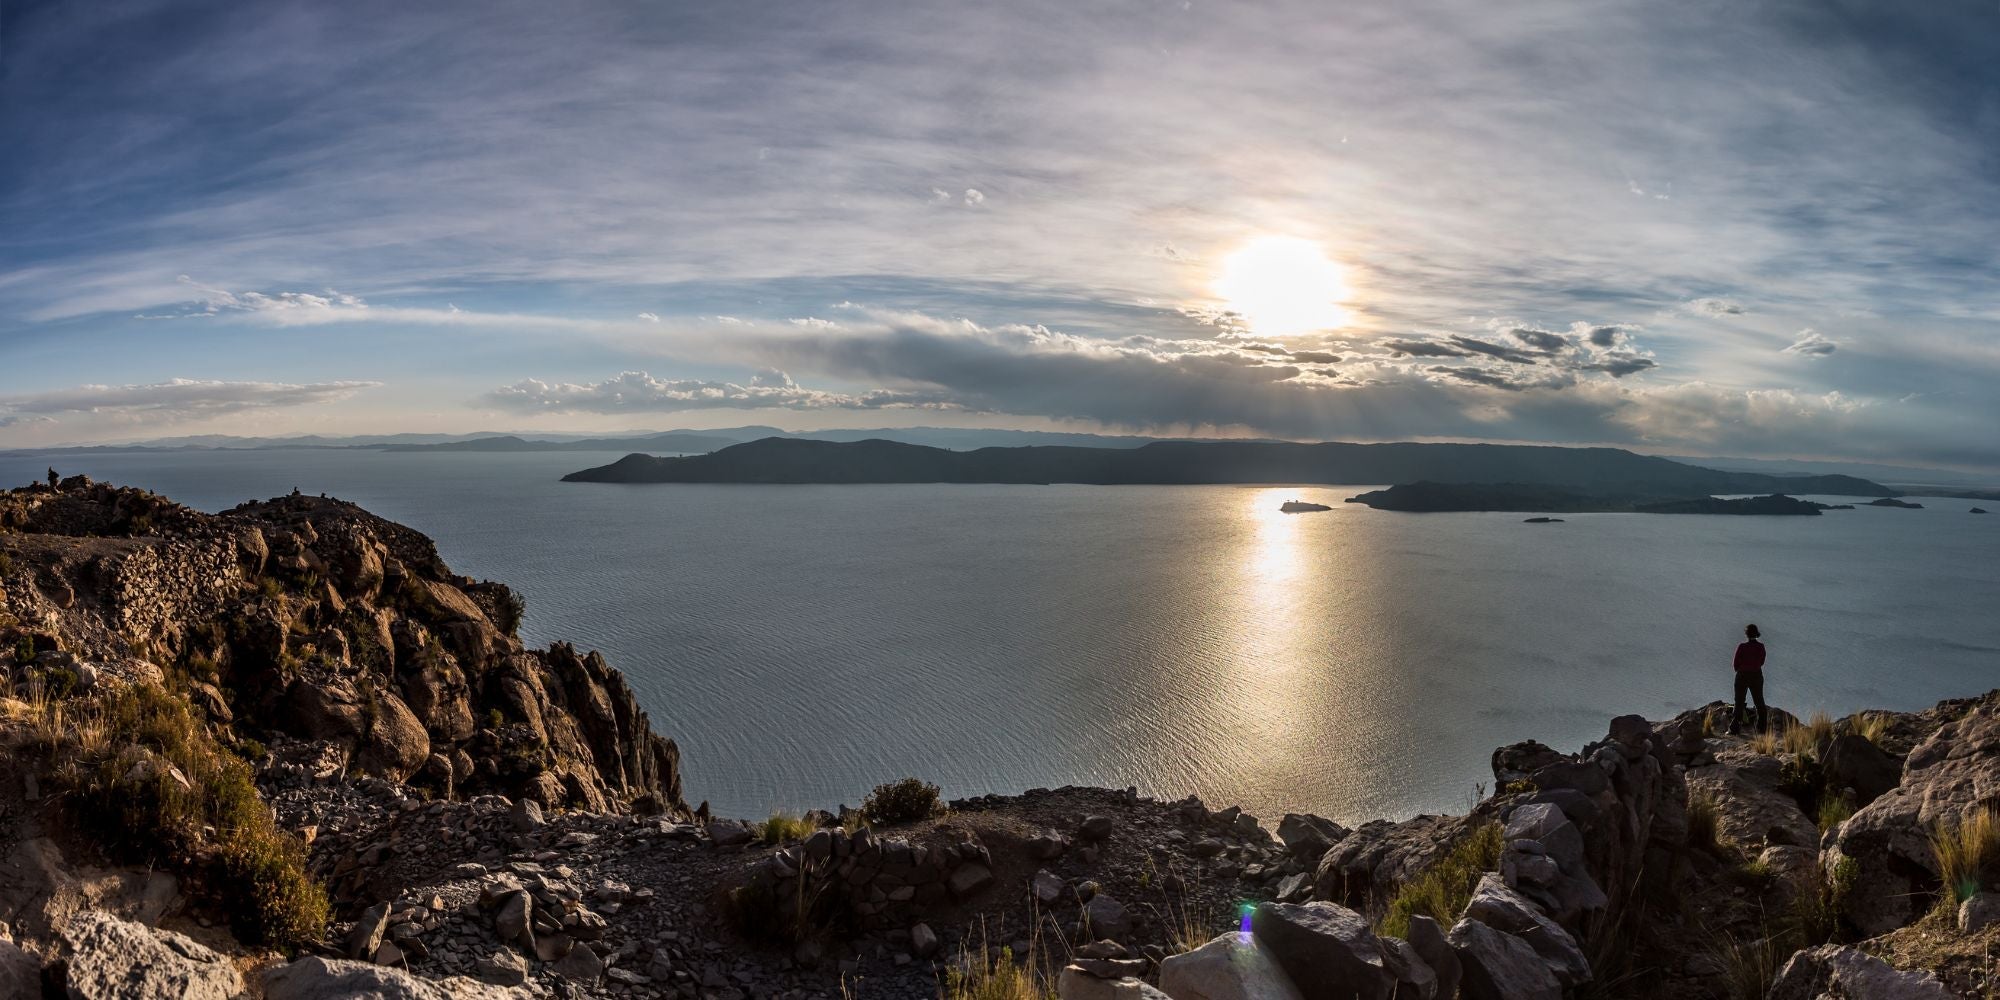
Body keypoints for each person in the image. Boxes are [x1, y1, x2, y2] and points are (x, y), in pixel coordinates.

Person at [1729, 623, 1767, 735]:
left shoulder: (1742, 647)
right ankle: (1762, 729)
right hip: (1756, 675)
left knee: (1739, 701)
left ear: (1746, 634)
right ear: (1757, 634)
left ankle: (1734, 729)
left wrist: (1741, 670)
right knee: (1759, 701)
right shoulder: (1761, 647)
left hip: (1742, 675)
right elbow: (1761, 662)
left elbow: (1735, 663)